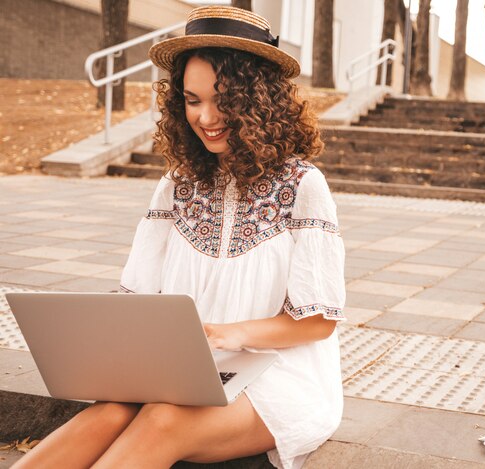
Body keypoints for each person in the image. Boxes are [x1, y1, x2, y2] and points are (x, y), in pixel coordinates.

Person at [14, 6, 346, 469]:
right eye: (192, 100)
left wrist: (221, 335)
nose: (206, 116)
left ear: (260, 99)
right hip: (182, 371)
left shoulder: (302, 186)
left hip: (278, 374)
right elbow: (139, 297)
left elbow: (318, 321)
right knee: (110, 410)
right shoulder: (176, 184)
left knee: (162, 420)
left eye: (223, 99)